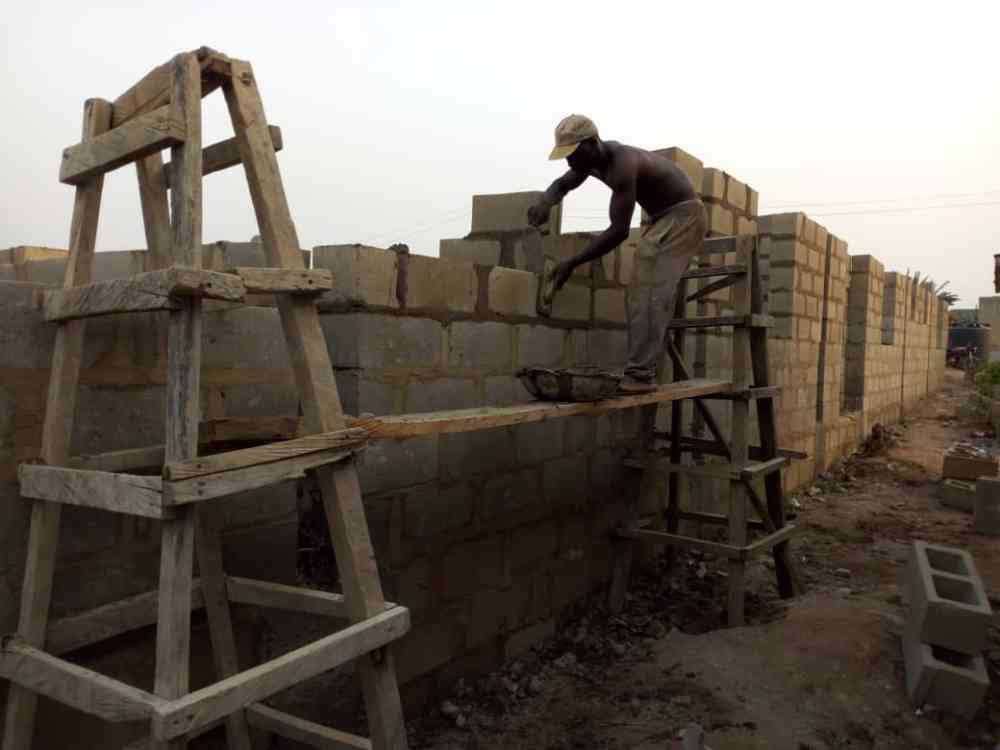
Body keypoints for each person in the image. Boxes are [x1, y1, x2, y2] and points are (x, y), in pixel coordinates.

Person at [527, 114, 707, 393]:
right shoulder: (589, 160)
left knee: (651, 293)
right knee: (639, 291)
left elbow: (619, 231)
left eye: (573, 153)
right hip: (660, 218)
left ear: (592, 142)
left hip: (684, 216)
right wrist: (544, 203)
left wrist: (572, 263)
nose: (570, 161)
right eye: (565, 156)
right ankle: (641, 368)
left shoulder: (622, 165)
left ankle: (641, 375)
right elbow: (563, 184)